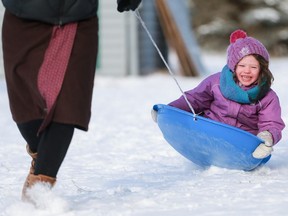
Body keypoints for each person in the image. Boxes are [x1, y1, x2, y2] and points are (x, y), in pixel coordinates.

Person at [1, 0, 142, 201]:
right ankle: (41, 154)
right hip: (24, 15)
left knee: (70, 102)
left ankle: (37, 195)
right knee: (25, 105)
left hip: (78, 17)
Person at [152, 29, 285, 160]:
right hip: (209, 133)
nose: (247, 71)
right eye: (242, 66)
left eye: (253, 67)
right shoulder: (216, 82)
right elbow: (194, 99)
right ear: (234, 66)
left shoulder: (267, 97)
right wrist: (170, 111)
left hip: (241, 144)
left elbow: (271, 123)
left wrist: (267, 138)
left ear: (262, 70)